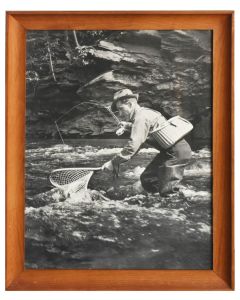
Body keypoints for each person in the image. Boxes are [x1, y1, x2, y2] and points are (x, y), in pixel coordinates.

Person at [102, 88, 192, 197]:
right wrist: (128, 126)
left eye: (121, 109)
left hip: (176, 153)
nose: (120, 114)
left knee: (168, 191)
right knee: (148, 179)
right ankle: (158, 201)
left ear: (130, 104)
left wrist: (114, 162)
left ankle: (175, 202)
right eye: (118, 111)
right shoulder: (144, 113)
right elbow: (146, 131)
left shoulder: (140, 117)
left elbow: (134, 145)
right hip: (169, 152)